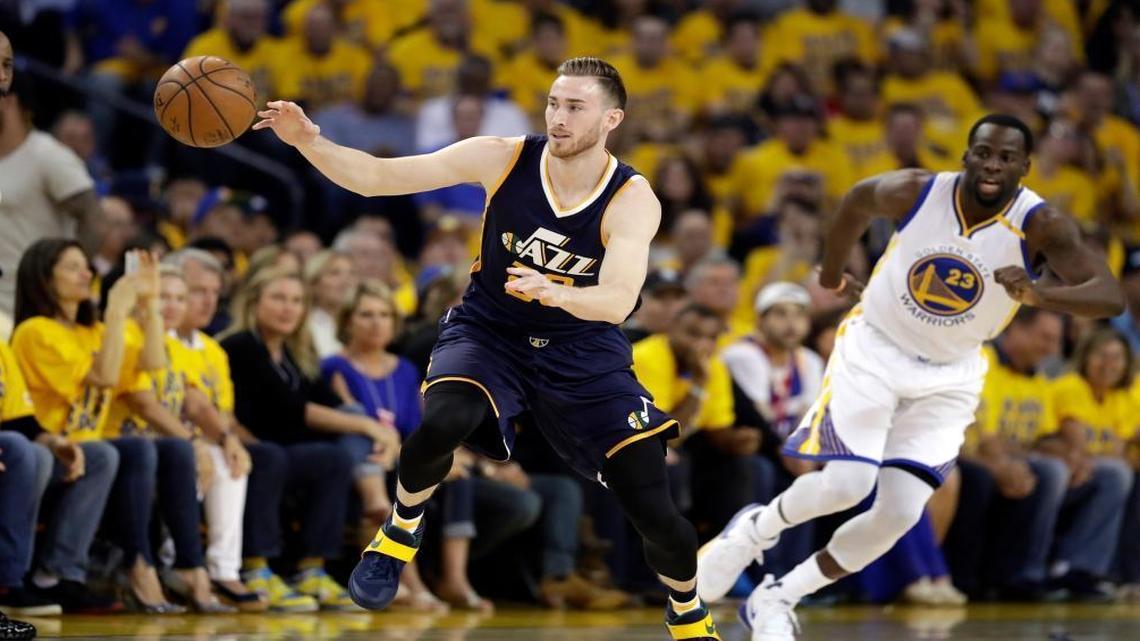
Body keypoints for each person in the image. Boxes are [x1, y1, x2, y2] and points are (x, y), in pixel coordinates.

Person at [254, 56, 721, 639]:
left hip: (583, 351)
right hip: (491, 330)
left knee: (658, 513)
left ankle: (686, 608)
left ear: (611, 119)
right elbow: (377, 177)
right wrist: (310, 141)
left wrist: (556, 291)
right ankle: (401, 529)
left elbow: (620, 300)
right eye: (553, 102)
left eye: (575, 107)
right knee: (445, 418)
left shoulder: (632, 197)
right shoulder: (501, 156)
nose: (558, 116)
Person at [697, 114, 1124, 640]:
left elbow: (1108, 294)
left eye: (1006, 157)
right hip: (877, 348)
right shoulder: (917, 191)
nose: (993, 165)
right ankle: (753, 532)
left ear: (1024, 167)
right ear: (966, 155)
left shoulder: (1041, 224)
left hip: (952, 372)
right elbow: (854, 200)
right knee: (848, 484)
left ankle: (779, 596)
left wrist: (1041, 295)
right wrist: (831, 275)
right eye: (984, 152)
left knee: (898, 513)